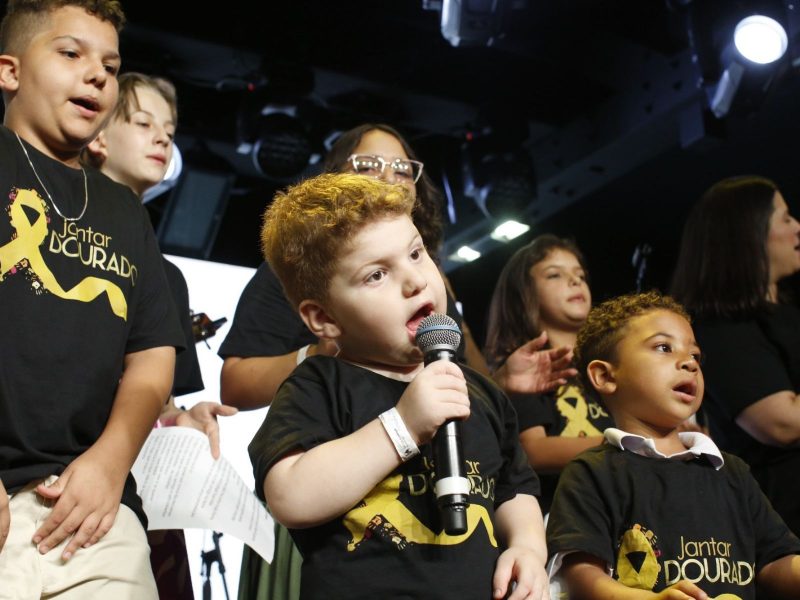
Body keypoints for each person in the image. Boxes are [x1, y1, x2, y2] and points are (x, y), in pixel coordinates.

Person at [249, 172, 549, 599]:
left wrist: (528, 548)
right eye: (376, 275)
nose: (415, 281)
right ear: (324, 319)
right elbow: (290, 496)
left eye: (415, 253)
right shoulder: (320, 384)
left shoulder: (481, 392)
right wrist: (402, 427)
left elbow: (514, 490)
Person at [219, 122, 487, 599]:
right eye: (369, 164)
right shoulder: (306, 276)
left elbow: (475, 382)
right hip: (340, 511)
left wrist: (510, 382)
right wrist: (320, 354)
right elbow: (235, 382)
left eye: (401, 166)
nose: (388, 174)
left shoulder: (431, 281)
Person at [0, 1, 185, 598]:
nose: (98, 74)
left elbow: (153, 360)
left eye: (110, 63)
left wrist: (110, 462)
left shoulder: (126, 214)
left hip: (92, 516)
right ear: (9, 72)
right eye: (70, 53)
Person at [84, 70, 238, 599]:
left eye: (169, 129)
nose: (162, 137)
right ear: (98, 135)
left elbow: (162, 402)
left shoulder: (168, 277)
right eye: (143, 122)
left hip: (139, 500)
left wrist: (183, 419)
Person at [546, 291, 800, 599]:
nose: (689, 363)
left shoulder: (731, 471)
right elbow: (581, 577)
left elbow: (776, 561)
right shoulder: (592, 472)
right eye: (664, 347)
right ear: (605, 376)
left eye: (695, 355)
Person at [670, 175, 800, 540]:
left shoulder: (789, 316)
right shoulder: (720, 326)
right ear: (749, 232)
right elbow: (781, 423)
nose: (797, 228)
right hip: (785, 522)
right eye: (785, 218)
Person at [484, 234, 613, 514]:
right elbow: (534, 451)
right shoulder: (523, 369)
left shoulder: (608, 365)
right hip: (565, 515)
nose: (575, 280)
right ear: (524, 295)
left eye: (580, 274)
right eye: (554, 275)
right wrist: (625, 443)